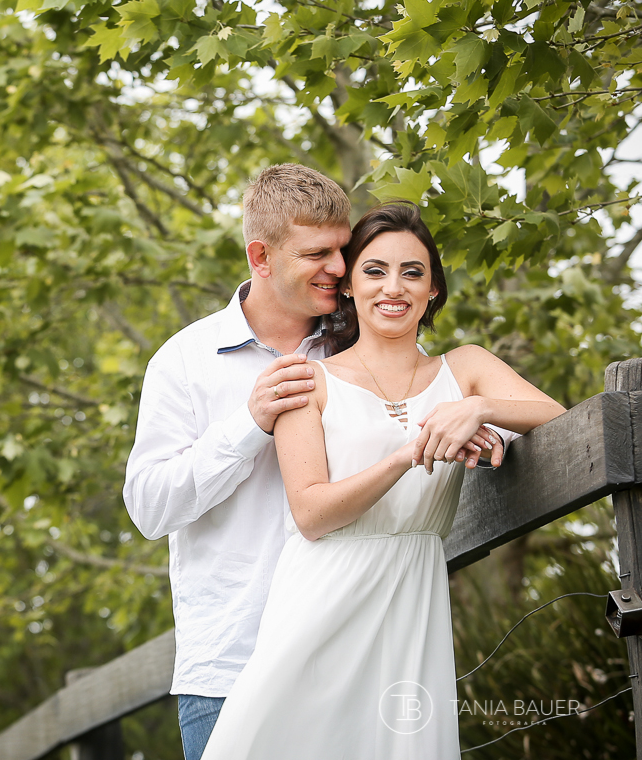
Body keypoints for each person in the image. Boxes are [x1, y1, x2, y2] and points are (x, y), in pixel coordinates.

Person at [122, 167, 503, 760]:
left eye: (342, 250)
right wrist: (248, 424)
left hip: (360, 653)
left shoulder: (362, 346)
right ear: (261, 256)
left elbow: (437, 411)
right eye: (317, 253)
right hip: (233, 665)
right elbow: (149, 507)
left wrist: (484, 433)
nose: (338, 266)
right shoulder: (185, 361)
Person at [198, 202, 565, 759]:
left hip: (413, 596)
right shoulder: (307, 379)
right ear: (348, 287)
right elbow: (312, 514)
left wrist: (479, 408)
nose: (393, 287)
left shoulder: (464, 368)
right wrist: (409, 453)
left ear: (434, 290)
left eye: (412, 272)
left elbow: (566, 422)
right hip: (322, 599)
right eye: (374, 270)